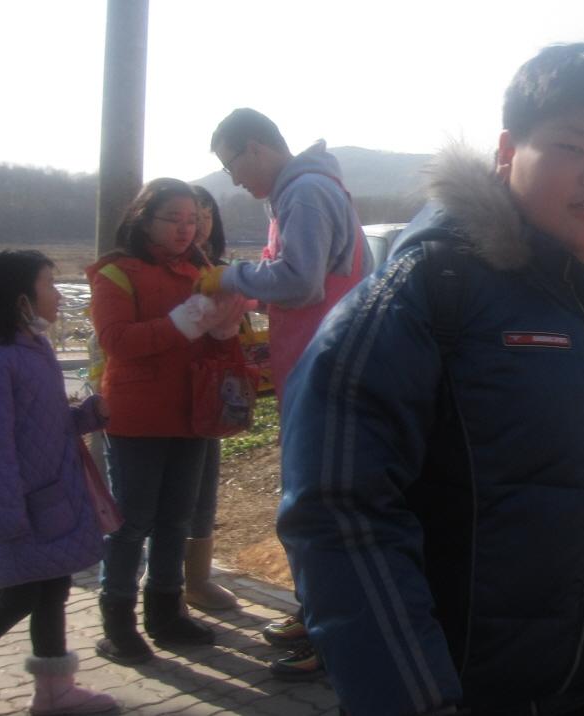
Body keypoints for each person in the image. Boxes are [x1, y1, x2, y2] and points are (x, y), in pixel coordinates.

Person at [276, 40, 584, 715]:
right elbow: (339, 511)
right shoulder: (427, 293)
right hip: (458, 695)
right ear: (507, 150)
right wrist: (414, 698)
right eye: (572, 147)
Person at [198, 107, 372, 679]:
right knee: (309, 504)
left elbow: (300, 280)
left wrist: (231, 277)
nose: (234, 180)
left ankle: (333, 634)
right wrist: (247, 292)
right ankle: (316, 610)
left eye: (232, 165)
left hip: (325, 371)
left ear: (256, 147)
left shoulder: (306, 193)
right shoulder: (298, 193)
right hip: (313, 368)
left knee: (318, 509)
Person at [88, 178, 245, 664]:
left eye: (192, 220)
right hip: (138, 416)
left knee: (177, 517)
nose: (186, 229)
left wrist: (225, 326)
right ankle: (118, 622)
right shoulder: (116, 272)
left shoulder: (203, 270)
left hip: (193, 411)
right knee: (131, 521)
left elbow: (218, 344)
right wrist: (189, 319)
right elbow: (117, 341)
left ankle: (166, 611)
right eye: (173, 219)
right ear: (144, 220)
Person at [0, 250, 118, 716]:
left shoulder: (35, 347)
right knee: (20, 594)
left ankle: (54, 692)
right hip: (21, 507)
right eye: (48, 284)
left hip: (53, 500)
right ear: (21, 299)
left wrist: (87, 416)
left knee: (54, 588)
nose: (58, 295)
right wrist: (6, 515)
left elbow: (47, 425)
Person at [181, 185, 240, 611]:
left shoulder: (215, 269)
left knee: (203, 485)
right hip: (169, 392)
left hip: (210, 390)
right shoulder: (157, 268)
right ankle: (164, 581)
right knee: (168, 493)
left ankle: (196, 579)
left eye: (205, 214)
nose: (199, 224)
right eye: (188, 216)